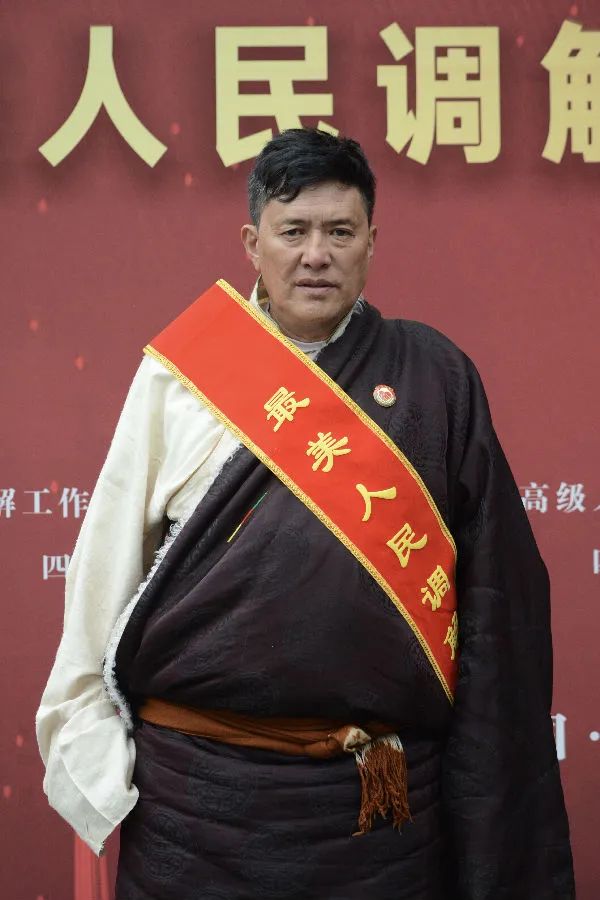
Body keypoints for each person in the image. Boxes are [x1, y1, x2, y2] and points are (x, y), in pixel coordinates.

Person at [37, 128, 575, 899]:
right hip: (196, 807)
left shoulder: (437, 379)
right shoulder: (179, 379)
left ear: (372, 243)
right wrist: (88, 740)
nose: (316, 254)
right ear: (252, 244)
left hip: (377, 819)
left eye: (340, 232)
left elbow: (495, 603)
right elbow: (107, 567)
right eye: (293, 232)